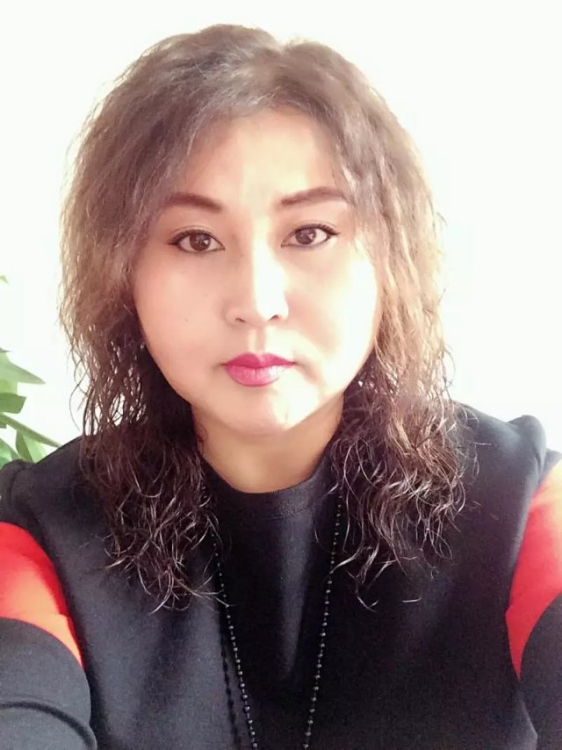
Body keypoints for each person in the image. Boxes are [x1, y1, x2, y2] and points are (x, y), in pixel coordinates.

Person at [0, 23, 560, 750]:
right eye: (195, 240)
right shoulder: (40, 531)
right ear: (124, 276)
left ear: (389, 258)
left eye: (310, 233)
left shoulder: (523, 502)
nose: (257, 302)